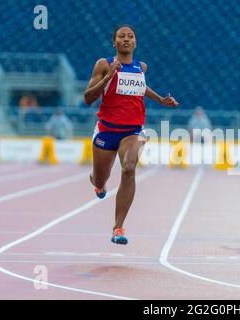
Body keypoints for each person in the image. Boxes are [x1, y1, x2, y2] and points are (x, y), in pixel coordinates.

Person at [84, 25, 178, 245]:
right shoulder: (104, 64)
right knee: (100, 178)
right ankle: (96, 180)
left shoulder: (140, 67)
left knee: (128, 168)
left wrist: (160, 99)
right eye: (121, 37)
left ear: (135, 42)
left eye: (130, 37)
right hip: (107, 130)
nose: (126, 39)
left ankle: (118, 227)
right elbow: (88, 98)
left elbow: (140, 87)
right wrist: (108, 76)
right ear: (114, 42)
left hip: (132, 130)